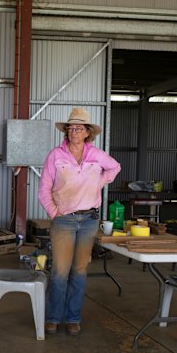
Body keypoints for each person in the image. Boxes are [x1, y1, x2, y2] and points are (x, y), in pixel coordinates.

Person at [39, 108, 121, 336]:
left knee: (80, 270)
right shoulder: (56, 155)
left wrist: (98, 183)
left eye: (79, 128)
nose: (74, 131)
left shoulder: (96, 154)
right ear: (66, 131)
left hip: (88, 220)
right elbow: (44, 189)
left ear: (87, 133)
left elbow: (115, 167)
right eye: (71, 128)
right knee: (59, 271)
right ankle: (53, 317)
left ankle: (73, 317)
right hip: (64, 220)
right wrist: (54, 213)